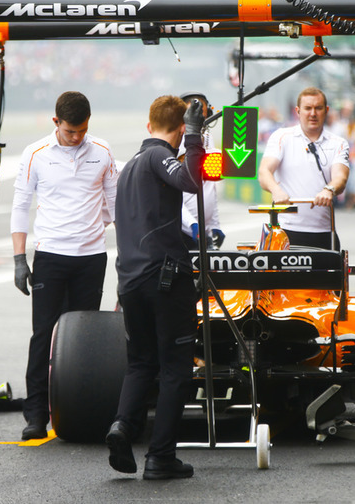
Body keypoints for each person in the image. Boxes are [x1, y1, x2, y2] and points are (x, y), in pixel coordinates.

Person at [106, 95, 205, 480]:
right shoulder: (157, 157)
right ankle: (160, 457)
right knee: (176, 370)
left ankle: (123, 426)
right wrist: (195, 139)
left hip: (130, 280)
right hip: (164, 279)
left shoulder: (129, 165)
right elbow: (191, 181)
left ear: (149, 125)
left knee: (141, 363)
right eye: (185, 132)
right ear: (179, 130)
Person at [10, 91, 118, 441]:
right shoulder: (35, 154)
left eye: (83, 130)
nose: (77, 137)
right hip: (51, 256)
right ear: (56, 122)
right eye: (71, 131)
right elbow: (20, 206)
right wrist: (18, 258)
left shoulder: (101, 151)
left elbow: (116, 207)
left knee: (84, 342)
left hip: (91, 257)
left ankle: (79, 412)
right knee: (44, 336)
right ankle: (36, 415)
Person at [258, 87, 350, 250]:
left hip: (324, 233)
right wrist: (276, 191)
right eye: (308, 108)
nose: (312, 113)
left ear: (326, 110)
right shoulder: (281, 136)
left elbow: (340, 178)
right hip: (285, 231)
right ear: (298, 111)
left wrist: (328, 190)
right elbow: (264, 171)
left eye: (318, 108)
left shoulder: (338, 143)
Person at [178, 91, 225, 250]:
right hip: (183, 232)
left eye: (201, 114)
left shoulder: (209, 139)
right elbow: (173, 192)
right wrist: (192, 224)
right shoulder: (177, 143)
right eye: (192, 114)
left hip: (204, 232)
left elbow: (210, 187)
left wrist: (214, 224)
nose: (197, 118)